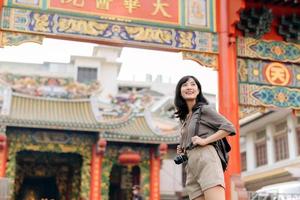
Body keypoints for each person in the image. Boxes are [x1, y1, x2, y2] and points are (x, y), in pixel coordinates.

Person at [174, 75, 236, 200]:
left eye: (192, 84)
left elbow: (229, 127)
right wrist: (183, 148)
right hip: (191, 165)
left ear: (198, 90)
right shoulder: (185, 118)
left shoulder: (204, 110)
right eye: (185, 85)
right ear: (179, 91)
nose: (189, 87)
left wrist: (205, 141)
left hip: (206, 158)